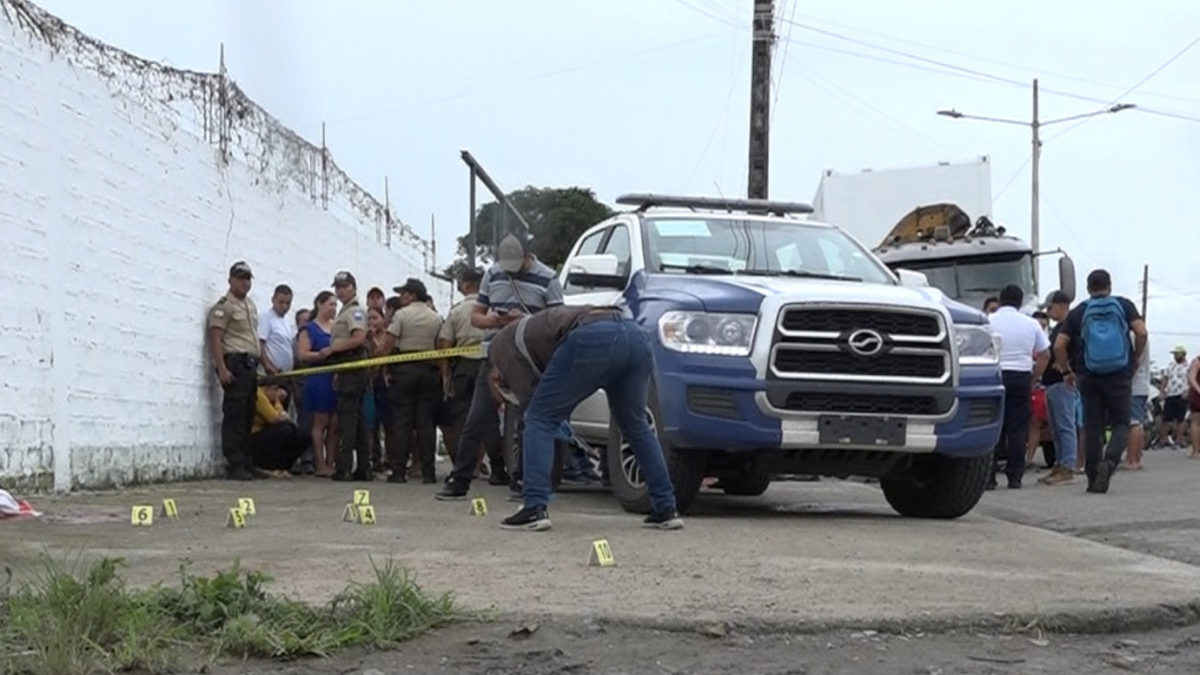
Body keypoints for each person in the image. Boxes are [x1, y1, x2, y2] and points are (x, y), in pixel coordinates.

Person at [487, 304, 683, 531]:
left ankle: (534, 507)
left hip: (592, 336)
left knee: (538, 419)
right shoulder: (528, 334)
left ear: (494, 377)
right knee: (636, 426)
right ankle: (665, 508)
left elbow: (532, 404)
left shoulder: (498, 349)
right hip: (634, 335)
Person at [435, 233, 564, 501]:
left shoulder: (549, 279)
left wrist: (526, 320)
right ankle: (460, 479)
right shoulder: (493, 275)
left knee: (526, 421)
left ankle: (522, 480)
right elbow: (476, 316)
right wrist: (494, 320)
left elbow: (557, 323)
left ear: (530, 256)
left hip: (528, 360)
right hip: (494, 354)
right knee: (477, 417)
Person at [1054, 269, 1147, 494]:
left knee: (1093, 427)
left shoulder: (1080, 311)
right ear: (1110, 285)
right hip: (1119, 373)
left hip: (1089, 375)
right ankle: (1110, 462)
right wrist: (1135, 358)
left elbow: (1059, 345)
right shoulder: (1124, 305)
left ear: (1088, 288)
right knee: (1122, 424)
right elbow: (1141, 332)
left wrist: (1066, 371)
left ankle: (1093, 478)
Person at [206, 261, 267, 481]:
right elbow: (215, 337)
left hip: (250, 365)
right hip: (235, 363)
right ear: (230, 280)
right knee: (235, 415)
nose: (245, 283)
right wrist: (221, 367)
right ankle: (234, 463)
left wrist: (265, 364)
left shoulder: (249, 305)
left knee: (249, 414)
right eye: (241, 278)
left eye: (248, 278)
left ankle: (247, 462)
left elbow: (253, 339)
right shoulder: (225, 306)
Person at [986, 284, 1050, 489]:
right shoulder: (1031, 324)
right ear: (1021, 302)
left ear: (1001, 300)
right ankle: (1015, 477)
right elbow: (1045, 354)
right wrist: (1034, 377)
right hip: (1021, 377)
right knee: (1018, 428)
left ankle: (988, 477)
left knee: (993, 425)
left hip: (995, 376)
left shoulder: (988, 321)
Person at [383, 278, 444, 484]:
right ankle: (428, 472)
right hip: (428, 370)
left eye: (404, 293)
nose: (401, 297)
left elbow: (389, 342)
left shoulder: (402, 314)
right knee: (425, 423)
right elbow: (440, 345)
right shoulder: (435, 317)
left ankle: (399, 471)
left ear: (412, 295)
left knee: (402, 422)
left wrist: (381, 363)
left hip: (405, 370)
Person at [436, 269, 491, 480]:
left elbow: (445, 344)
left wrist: (445, 374)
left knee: (461, 418)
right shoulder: (491, 308)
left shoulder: (457, 310)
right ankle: (484, 463)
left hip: (463, 368)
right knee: (487, 417)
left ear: (467, 285)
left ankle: (466, 467)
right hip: (488, 364)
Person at [328, 270, 373, 482]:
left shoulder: (355, 311)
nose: (340, 291)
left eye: (345, 287)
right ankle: (364, 467)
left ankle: (344, 467)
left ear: (354, 288)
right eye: (337, 287)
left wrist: (332, 349)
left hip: (352, 364)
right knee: (357, 420)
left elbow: (358, 338)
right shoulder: (345, 311)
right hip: (347, 366)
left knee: (348, 419)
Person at [1037, 290, 1079, 486]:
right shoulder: (1059, 328)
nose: (1048, 312)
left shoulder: (1071, 327)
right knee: (1056, 428)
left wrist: (1066, 366)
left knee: (1065, 425)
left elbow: (1076, 350)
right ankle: (1060, 463)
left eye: (1050, 307)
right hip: (1052, 382)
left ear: (1062, 305)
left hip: (1063, 382)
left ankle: (1068, 466)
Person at [298, 292, 340, 477]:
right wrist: (322, 354)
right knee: (320, 422)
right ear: (320, 305)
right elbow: (303, 354)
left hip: (335, 377)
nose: (333, 308)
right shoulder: (309, 329)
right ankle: (319, 463)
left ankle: (330, 462)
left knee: (334, 423)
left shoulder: (337, 327)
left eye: (335, 305)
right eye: (330, 304)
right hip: (318, 377)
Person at [248, 376, 308, 476]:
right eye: (275, 389)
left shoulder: (273, 399)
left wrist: (278, 406)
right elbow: (273, 418)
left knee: (302, 435)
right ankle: (267, 465)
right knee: (285, 431)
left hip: (267, 431)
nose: (278, 393)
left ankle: (285, 465)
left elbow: (282, 414)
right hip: (255, 435)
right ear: (267, 388)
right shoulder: (259, 395)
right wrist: (282, 415)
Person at [1158, 345, 1190, 448]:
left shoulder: (1188, 367)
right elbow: (1165, 378)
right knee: (1166, 418)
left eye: (1177, 354)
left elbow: (1192, 380)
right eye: (1174, 354)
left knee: (1180, 419)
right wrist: (1162, 391)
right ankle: (1162, 440)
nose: (1175, 356)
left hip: (1182, 394)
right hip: (1170, 394)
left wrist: (1188, 391)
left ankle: (1178, 440)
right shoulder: (1171, 365)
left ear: (1184, 354)